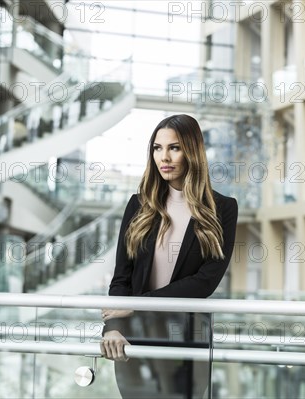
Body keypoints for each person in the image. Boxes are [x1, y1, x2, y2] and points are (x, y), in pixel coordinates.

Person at [99, 114, 238, 398]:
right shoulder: (138, 205)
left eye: (174, 148)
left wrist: (137, 304)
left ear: (192, 151)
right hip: (133, 336)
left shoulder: (223, 208)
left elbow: (205, 282)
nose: (165, 157)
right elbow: (121, 277)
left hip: (188, 335)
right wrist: (112, 327)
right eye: (157, 148)